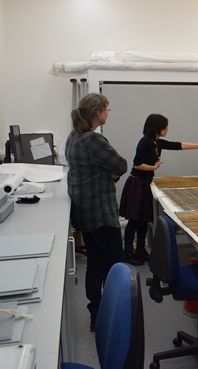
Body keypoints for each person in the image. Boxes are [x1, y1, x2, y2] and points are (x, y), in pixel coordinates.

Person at [66, 93, 128, 332]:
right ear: (98, 113)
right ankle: (116, 314)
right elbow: (121, 165)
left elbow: (91, 171)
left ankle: (97, 314)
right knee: (115, 267)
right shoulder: (93, 140)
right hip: (101, 214)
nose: (108, 113)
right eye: (107, 109)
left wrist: (106, 172)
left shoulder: (73, 137)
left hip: (85, 214)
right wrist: (110, 173)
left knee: (95, 264)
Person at [119, 114, 198, 266]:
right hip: (137, 183)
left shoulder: (157, 142)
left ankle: (140, 250)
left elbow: (178, 145)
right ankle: (128, 252)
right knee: (134, 221)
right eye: (165, 126)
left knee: (143, 220)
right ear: (156, 127)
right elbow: (137, 164)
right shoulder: (145, 142)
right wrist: (154, 167)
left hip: (145, 183)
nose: (167, 129)